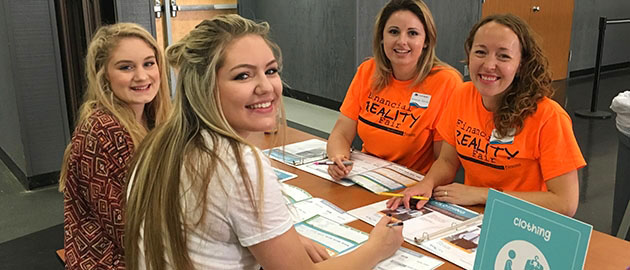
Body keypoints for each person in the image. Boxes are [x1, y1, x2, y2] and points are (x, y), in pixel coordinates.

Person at [125, 14, 403, 270]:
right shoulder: (237, 163)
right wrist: (377, 248)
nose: (266, 87)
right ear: (205, 86)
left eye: (270, 71)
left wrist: (279, 241)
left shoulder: (159, 143)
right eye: (243, 75)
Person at [388, 14, 585, 217]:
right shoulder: (462, 95)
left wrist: (484, 195)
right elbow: (447, 161)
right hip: (472, 215)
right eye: (481, 52)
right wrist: (426, 184)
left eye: (503, 56)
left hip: (524, 221)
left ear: (521, 65)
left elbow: (565, 203)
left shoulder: (549, 117)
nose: (489, 65)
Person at [59, 23, 171, 269]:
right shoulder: (101, 130)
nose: (142, 76)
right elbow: (125, 229)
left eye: (149, 63)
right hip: (111, 261)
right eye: (126, 67)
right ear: (103, 74)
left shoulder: (155, 119)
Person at [326, 0, 463, 180]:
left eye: (412, 33)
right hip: (366, 177)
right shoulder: (368, 71)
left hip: (411, 186)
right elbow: (341, 133)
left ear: (426, 41)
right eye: (393, 32)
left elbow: (444, 161)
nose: (402, 41)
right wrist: (338, 158)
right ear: (382, 37)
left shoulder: (446, 82)